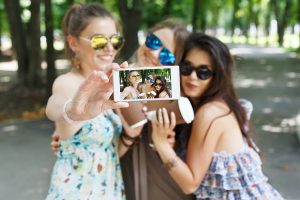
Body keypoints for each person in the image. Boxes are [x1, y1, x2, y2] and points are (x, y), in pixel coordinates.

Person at [51, 18, 192, 200]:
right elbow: (102, 149)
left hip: (164, 191)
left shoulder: (178, 96)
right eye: (153, 42)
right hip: (121, 187)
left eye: (166, 55)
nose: (154, 53)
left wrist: (170, 143)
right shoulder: (114, 80)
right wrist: (69, 135)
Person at [150, 33, 284, 199]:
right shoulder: (213, 105)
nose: (192, 76)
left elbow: (190, 184)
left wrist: (161, 142)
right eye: (187, 68)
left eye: (203, 72)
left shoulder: (210, 113)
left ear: (217, 76)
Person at [45, 3, 137, 199]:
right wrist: (72, 111)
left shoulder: (110, 84)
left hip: (107, 189)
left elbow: (107, 153)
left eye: (115, 40)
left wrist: (130, 135)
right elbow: (55, 107)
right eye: (98, 41)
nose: (109, 48)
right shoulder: (67, 83)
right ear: (73, 43)